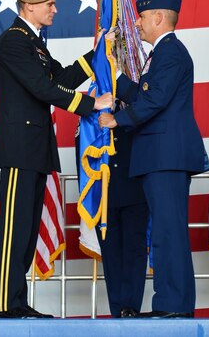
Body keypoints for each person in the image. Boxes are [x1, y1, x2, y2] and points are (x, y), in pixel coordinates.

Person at [0, 0, 113, 319]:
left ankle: (15, 302)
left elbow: (64, 77)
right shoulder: (14, 43)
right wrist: (90, 105)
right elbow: (44, 88)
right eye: (50, 4)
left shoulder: (35, 45)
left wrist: (98, 52)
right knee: (14, 230)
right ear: (30, 6)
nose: (55, 9)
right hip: (18, 152)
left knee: (27, 231)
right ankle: (3, 305)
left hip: (34, 150)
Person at [99, 0, 209, 318]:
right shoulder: (159, 55)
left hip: (166, 158)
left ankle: (172, 306)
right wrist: (115, 76)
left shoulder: (170, 52)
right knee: (165, 231)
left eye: (143, 18)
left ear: (159, 18)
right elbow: (146, 93)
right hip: (159, 158)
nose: (139, 25)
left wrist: (117, 121)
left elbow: (155, 99)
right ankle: (172, 304)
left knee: (168, 232)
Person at [75, 103, 149, 318]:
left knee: (134, 252)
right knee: (112, 254)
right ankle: (117, 309)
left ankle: (131, 307)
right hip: (103, 194)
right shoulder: (89, 114)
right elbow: (82, 152)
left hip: (135, 187)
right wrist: (88, 195)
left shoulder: (136, 106)